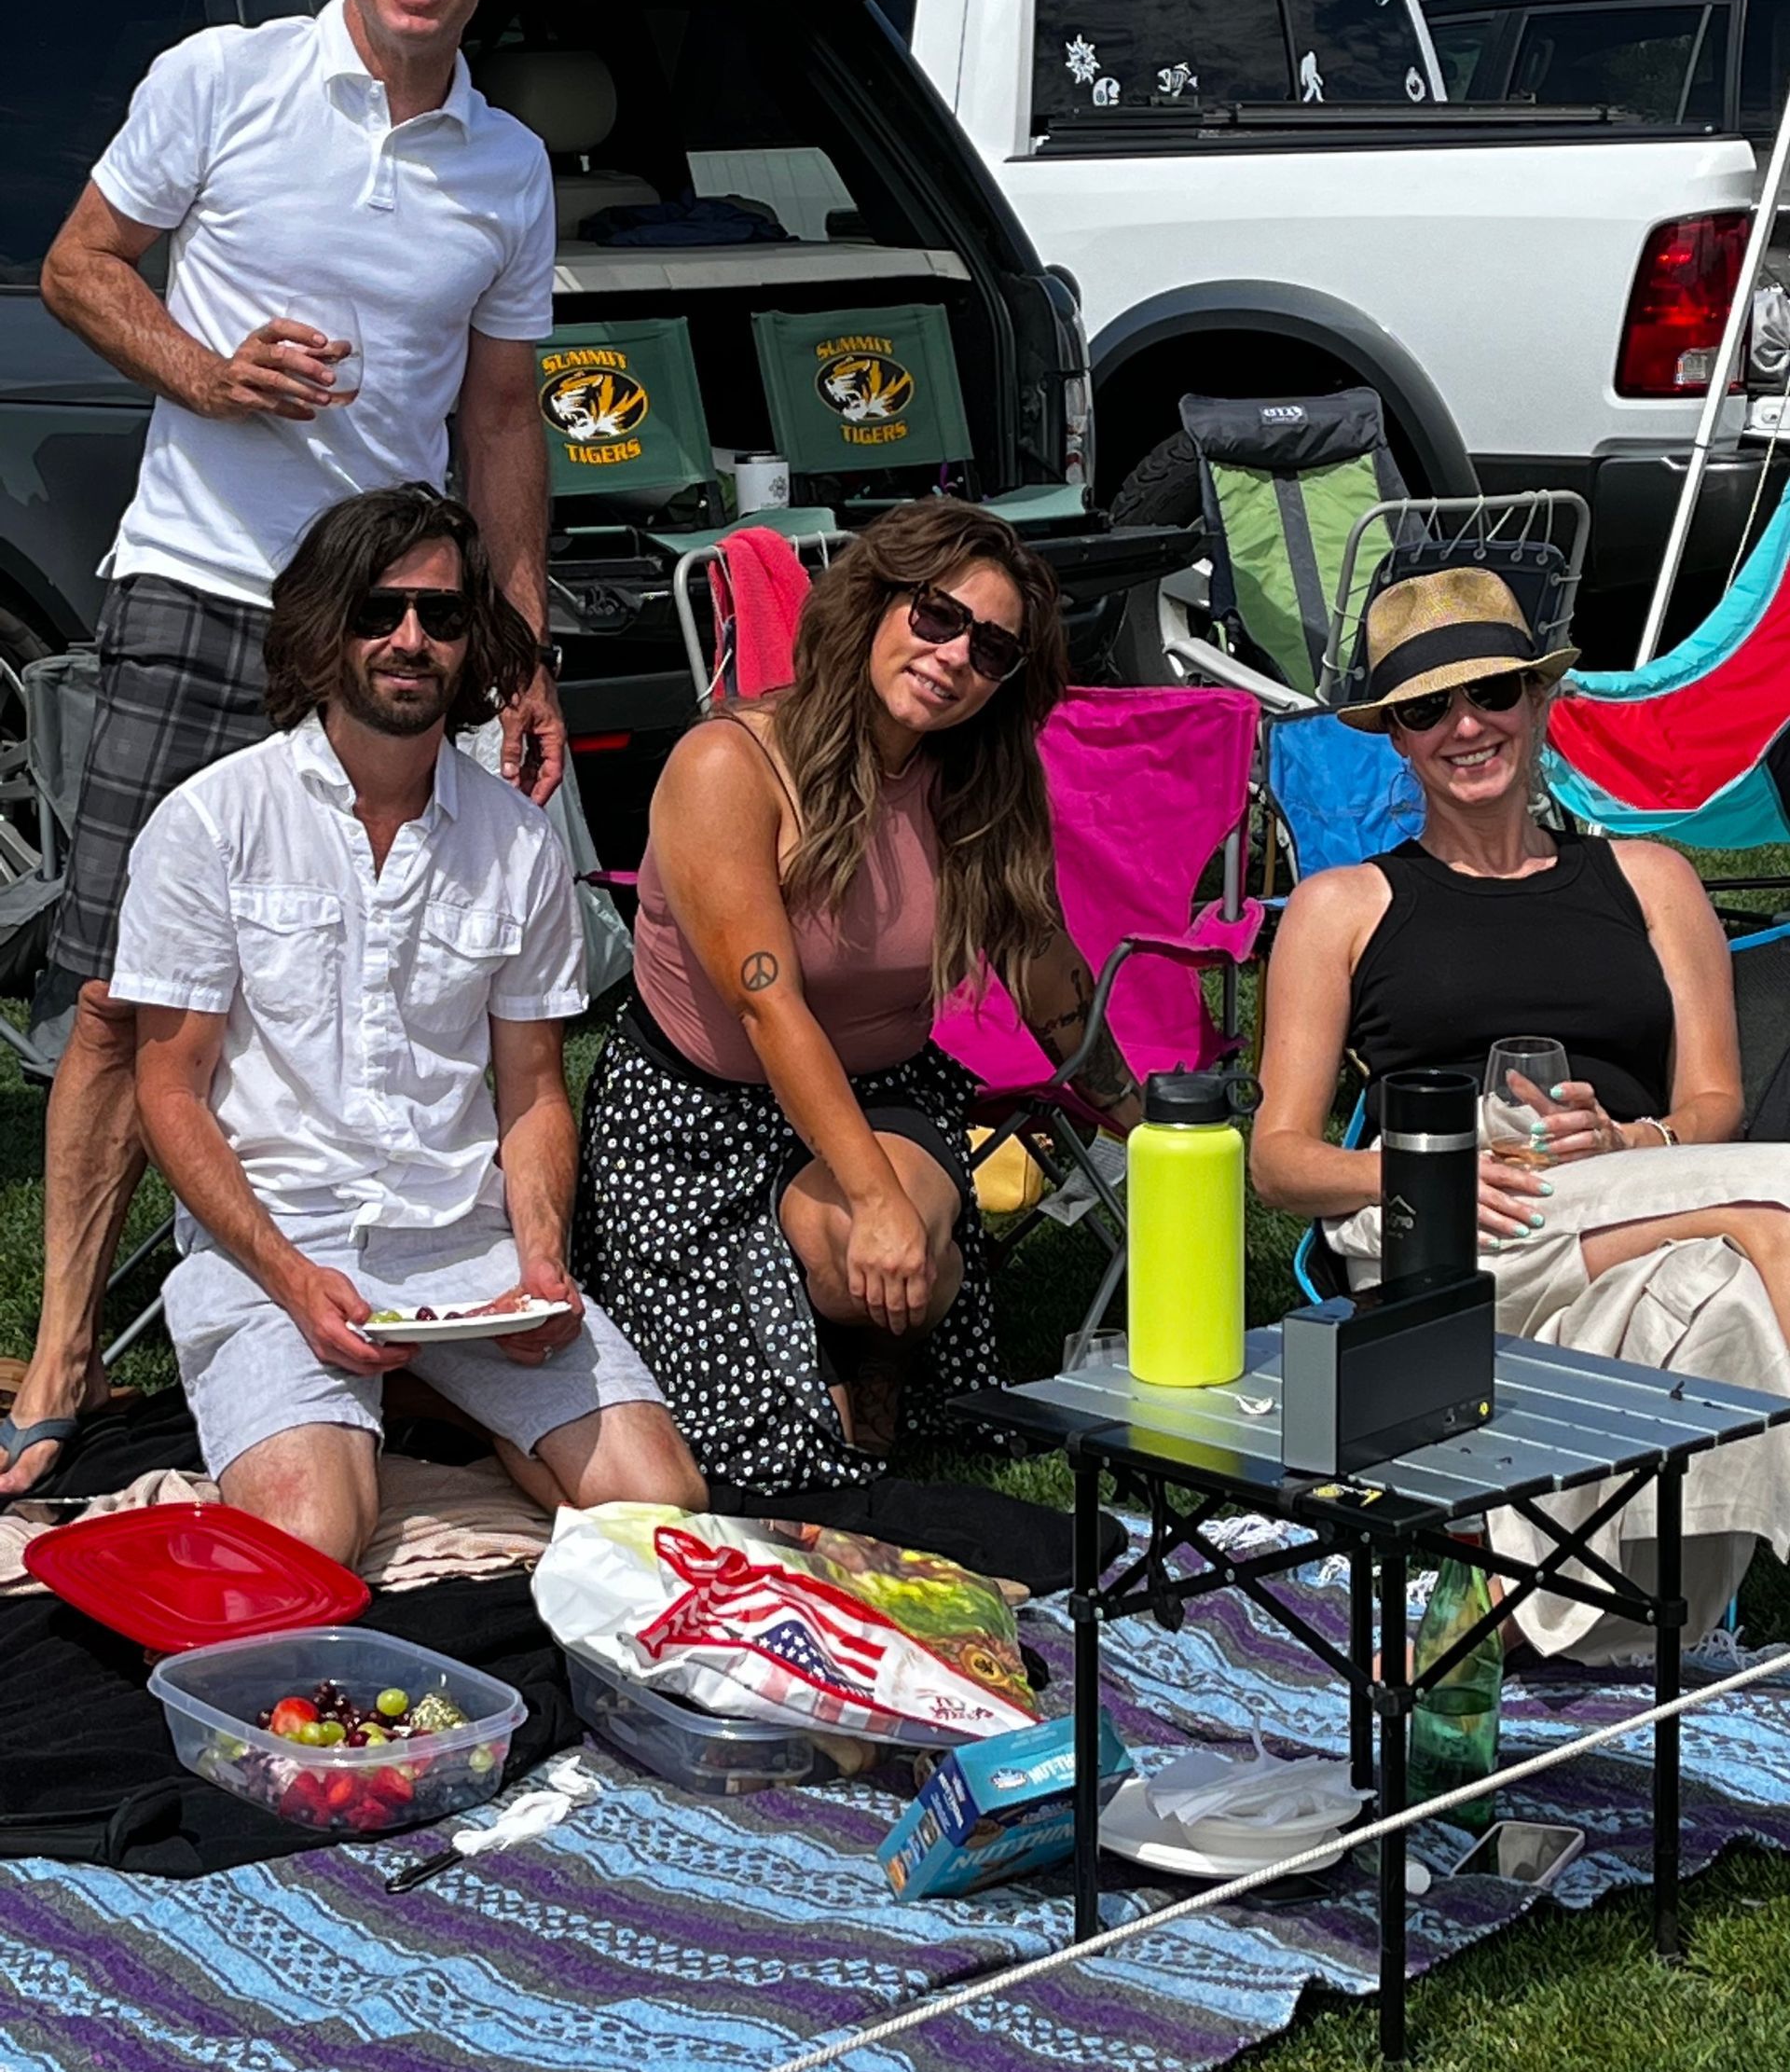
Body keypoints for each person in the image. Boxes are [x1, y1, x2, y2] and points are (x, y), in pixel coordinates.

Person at [1, 0, 567, 1494]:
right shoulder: (224, 79)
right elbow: (79, 267)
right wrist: (206, 372)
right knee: (124, 995)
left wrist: (521, 644)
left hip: (392, 618)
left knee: (418, 971)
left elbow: (503, 416)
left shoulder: (509, 167)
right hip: (200, 582)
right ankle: (59, 1352)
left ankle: (407, 1307)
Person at [106, 484, 702, 1568]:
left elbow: (533, 1091)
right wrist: (291, 1276)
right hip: (275, 1245)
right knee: (313, 1539)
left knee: (660, 1507)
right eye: (378, 610)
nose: (411, 639)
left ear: (475, 643)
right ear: (322, 626)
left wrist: (540, 1261)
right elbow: (168, 1090)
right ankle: (395, 1417)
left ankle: (432, 1396)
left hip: (464, 1254)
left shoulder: (519, 843)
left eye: (443, 614)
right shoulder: (212, 821)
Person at [1252, 564, 1790, 1659]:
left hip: (1633, 1207)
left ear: (1540, 700)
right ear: (1398, 739)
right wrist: (1425, 1170)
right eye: (1427, 708)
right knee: (1773, 1213)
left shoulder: (1651, 879)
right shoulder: (1344, 906)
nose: (1466, 725)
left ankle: (1559, 1632)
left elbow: (1714, 1103)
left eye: (1493, 691)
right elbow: (1279, 1161)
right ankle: (1749, 1218)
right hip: (1447, 1237)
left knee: (1720, 1291)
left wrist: (1637, 1140)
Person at [572, 502, 1142, 1495]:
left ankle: (865, 1351)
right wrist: (870, 1199)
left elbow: (1044, 968)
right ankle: (825, 1361)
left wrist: (1146, 1122)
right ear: (876, 603)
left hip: (883, 1090)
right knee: (752, 1463)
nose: (955, 655)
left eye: (992, 649)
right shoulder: (731, 765)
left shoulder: (976, 780)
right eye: (938, 616)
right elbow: (768, 1007)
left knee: (909, 1245)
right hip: (691, 1122)